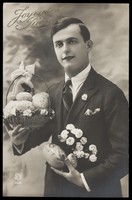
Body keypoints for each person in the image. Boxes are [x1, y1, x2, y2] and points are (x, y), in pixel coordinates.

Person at [4, 17, 129, 197]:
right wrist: (19, 141)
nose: (65, 49)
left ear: (88, 45)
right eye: (59, 44)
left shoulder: (110, 94)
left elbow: (124, 155)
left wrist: (84, 179)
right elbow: (38, 133)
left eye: (72, 41)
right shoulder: (52, 93)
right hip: (56, 190)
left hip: (96, 191)